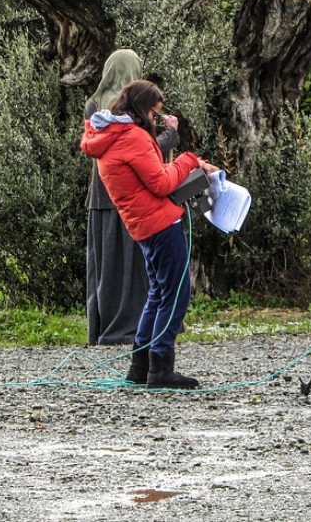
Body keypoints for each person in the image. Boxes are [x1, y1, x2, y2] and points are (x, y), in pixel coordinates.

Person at [80, 80, 219, 388]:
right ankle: (160, 368)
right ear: (143, 110)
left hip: (141, 226)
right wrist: (189, 160)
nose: (156, 120)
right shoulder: (132, 137)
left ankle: (140, 366)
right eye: (155, 114)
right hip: (160, 224)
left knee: (157, 292)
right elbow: (161, 183)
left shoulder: (108, 136)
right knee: (176, 294)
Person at [84, 50, 182, 346]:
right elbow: (144, 153)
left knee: (106, 267)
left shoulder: (94, 105)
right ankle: (138, 329)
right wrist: (171, 137)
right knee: (138, 269)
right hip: (133, 198)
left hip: (100, 196)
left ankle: (105, 328)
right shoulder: (134, 109)